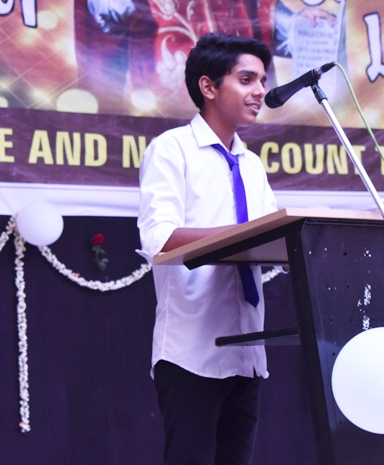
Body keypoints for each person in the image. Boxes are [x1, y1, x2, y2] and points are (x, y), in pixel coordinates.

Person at [137, 33, 278, 465]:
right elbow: (158, 238)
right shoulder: (171, 150)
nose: (260, 91)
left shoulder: (251, 164)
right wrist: (239, 235)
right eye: (247, 79)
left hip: (248, 351)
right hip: (192, 352)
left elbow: (271, 237)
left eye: (263, 81)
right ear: (208, 86)